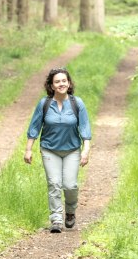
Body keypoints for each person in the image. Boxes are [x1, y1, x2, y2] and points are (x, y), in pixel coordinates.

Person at [24, 67, 91, 233]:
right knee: (54, 183)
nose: (61, 84)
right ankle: (56, 219)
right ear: (52, 86)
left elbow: (84, 128)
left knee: (70, 185)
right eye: (57, 82)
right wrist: (28, 149)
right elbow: (35, 127)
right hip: (49, 149)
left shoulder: (77, 103)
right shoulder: (44, 103)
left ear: (68, 83)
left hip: (72, 150)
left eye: (64, 81)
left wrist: (86, 150)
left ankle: (70, 211)